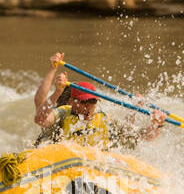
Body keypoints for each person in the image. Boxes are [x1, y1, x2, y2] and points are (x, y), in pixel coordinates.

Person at [33, 51, 165, 149]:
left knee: (124, 135)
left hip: (93, 167)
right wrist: (54, 73)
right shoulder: (61, 114)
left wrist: (156, 124)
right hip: (60, 160)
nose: (89, 106)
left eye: (93, 102)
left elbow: (143, 136)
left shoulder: (103, 118)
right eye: (84, 102)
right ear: (72, 101)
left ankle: (134, 109)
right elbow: (40, 113)